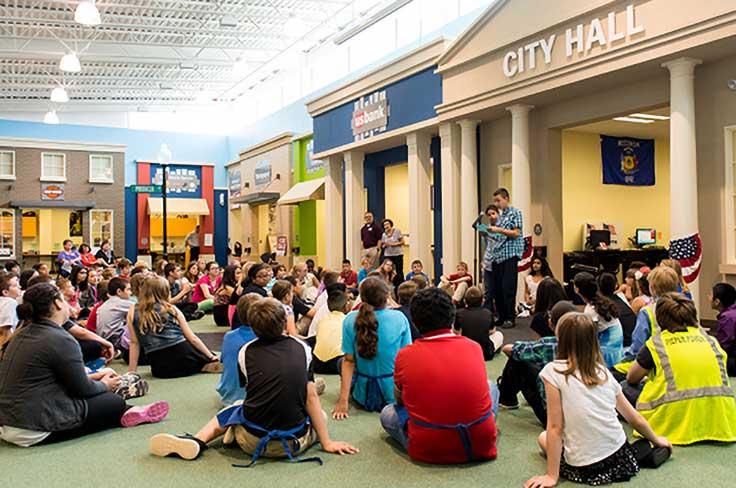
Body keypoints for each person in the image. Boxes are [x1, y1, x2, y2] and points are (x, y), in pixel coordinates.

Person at [149, 298, 358, 463]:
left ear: (252, 326)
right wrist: (327, 442)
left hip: (251, 441)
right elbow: (311, 397)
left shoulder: (245, 351)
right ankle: (230, 432)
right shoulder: (302, 348)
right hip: (293, 443)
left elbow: (252, 392)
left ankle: (198, 439)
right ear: (285, 323)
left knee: (236, 406)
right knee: (318, 412)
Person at [0, 283, 169, 447]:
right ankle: (124, 410)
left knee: (103, 397)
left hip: (8, 423)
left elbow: (53, 379)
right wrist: (104, 384)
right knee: (113, 401)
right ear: (58, 303)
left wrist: (94, 377)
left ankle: (130, 410)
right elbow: (82, 390)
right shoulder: (59, 338)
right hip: (36, 428)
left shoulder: (20, 336)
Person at [524, 312, 672, 488]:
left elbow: (555, 427)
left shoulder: (553, 371)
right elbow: (634, 417)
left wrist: (551, 476)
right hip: (620, 456)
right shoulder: (602, 372)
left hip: (585, 467)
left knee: (543, 437)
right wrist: (656, 440)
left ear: (560, 339)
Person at [380, 287, 498, 464]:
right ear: (451, 316)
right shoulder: (473, 347)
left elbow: (400, 400)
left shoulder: (405, 355)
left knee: (387, 413)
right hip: (479, 444)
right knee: (491, 386)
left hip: (429, 448)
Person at [625, 293, 736, 445]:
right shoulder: (711, 341)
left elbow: (631, 378)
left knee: (624, 387)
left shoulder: (656, 344)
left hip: (671, 418)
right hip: (719, 420)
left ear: (660, 317)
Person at [333, 277, 412, 419]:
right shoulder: (399, 318)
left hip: (362, 395)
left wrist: (342, 401)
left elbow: (349, 362)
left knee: (342, 361)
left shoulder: (350, 318)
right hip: (392, 394)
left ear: (362, 298)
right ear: (387, 296)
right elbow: (407, 358)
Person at [498, 301, 577, 425]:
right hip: (578, 414)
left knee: (518, 360)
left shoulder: (548, 344)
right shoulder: (588, 346)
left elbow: (508, 349)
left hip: (552, 417)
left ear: (551, 323)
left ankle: (507, 400)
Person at [126, 277, 221, 379]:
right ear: (165, 292)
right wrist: (210, 356)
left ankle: (202, 363)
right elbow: (192, 338)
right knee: (202, 353)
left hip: (159, 368)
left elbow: (134, 343)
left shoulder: (132, 310)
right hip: (182, 353)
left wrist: (132, 371)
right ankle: (204, 363)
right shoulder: (171, 309)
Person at [613, 266, 679, 379]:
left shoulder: (648, 311)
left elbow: (637, 348)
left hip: (653, 362)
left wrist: (622, 359)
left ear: (652, 287)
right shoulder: (685, 307)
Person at [488, 188, 524, 329]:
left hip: (510, 255)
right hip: (497, 257)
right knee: (497, 289)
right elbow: (498, 237)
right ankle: (502, 317)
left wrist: (498, 230)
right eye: (494, 201)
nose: (496, 204)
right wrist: (488, 232)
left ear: (506, 198)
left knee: (508, 288)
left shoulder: (516, 213)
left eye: (498, 200)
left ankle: (510, 317)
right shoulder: (500, 217)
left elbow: (516, 233)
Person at [216, 293, 261, 406]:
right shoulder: (264, 338)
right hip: (254, 400)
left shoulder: (228, 336)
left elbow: (223, 362)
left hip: (227, 395)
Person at [573, 272, 624, 368]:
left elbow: (590, 338)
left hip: (606, 356)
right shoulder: (604, 302)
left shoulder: (590, 311)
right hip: (617, 351)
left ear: (577, 289)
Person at [454, 286, 503, 361]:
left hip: (465, 353)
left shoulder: (459, 313)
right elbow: (492, 331)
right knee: (499, 335)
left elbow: (456, 332)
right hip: (485, 354)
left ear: (465, 301)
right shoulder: (488, 313)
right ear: (482, 301)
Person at [313, 289, 350, 375]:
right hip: (337, 364)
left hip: (317, 365)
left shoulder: (322, 321)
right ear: (346, 306)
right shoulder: (347, 320)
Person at [96, 277, 135, 357]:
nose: (130, 293)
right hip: (114, 339)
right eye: (128, 290)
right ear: (119, 291)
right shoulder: (120, 303)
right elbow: (142, 309)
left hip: (104, 340)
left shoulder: (106, 304)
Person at [598, 272, 637, 347]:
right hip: (632, 342)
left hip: (620, 346)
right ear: (616, 285)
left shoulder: (600, 306)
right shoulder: (621, 299)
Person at [711, 282, 736, 376]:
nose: (708, 297)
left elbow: (724, 345)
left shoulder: (727, 318)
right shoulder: (732, 313)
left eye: (710, 295)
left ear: (717, 301)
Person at [0, 273, 20, 348]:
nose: (19, 287)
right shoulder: (9, 302)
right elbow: (4, 331)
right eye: (15, 286)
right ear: (5, 292)